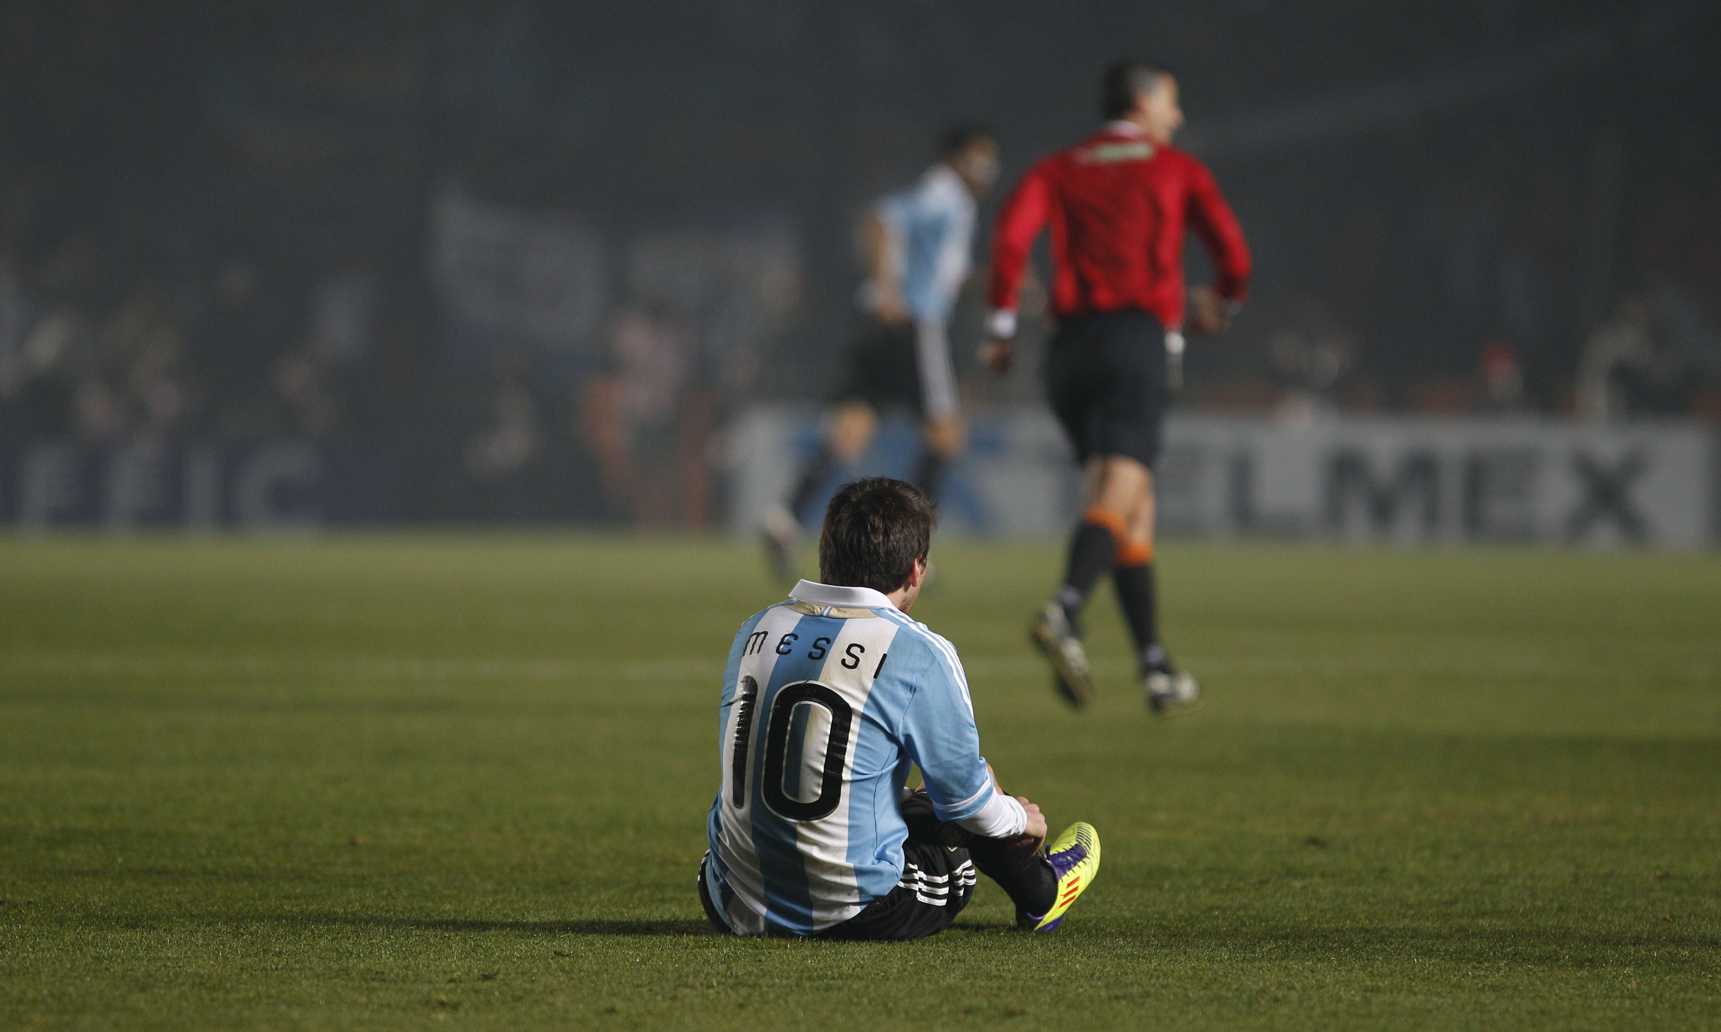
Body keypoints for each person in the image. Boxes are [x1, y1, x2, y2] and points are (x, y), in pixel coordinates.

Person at [702, 477, 1100, 939]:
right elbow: (969, 805)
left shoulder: (757, 628)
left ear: (826, 554)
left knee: (901, 797)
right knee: (972, 794)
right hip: (852, 912)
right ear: (916, 570)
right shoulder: (917, 649)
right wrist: (1018, 816)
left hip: (728, 899)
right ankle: (1044, 894)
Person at [982, 58, 1251, 714]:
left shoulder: (1057, 168)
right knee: (1118, 490)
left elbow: (1011, 240)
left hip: (1068, 353)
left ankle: (1155, 666)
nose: (1176, 118)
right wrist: (1222, 302)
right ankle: (1066, 608)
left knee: (1132, 501)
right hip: (1135, 342)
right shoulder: (1175, 169)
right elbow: (1232, 253)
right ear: (1142, 103)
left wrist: (1001, 327)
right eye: (1171, 104)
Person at [762, 126, 1001, 581]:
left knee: (851, 428)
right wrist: (888, 287)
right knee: (946, 436)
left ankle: (786, 516)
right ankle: (909, 545)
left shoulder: (952, 203)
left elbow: (945, 274)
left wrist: (994, 281)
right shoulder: (944, 193)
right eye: (980, 160)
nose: (988, 171)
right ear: (956, 158)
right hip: (915, 324)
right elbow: (880, 218)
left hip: (875, 322)